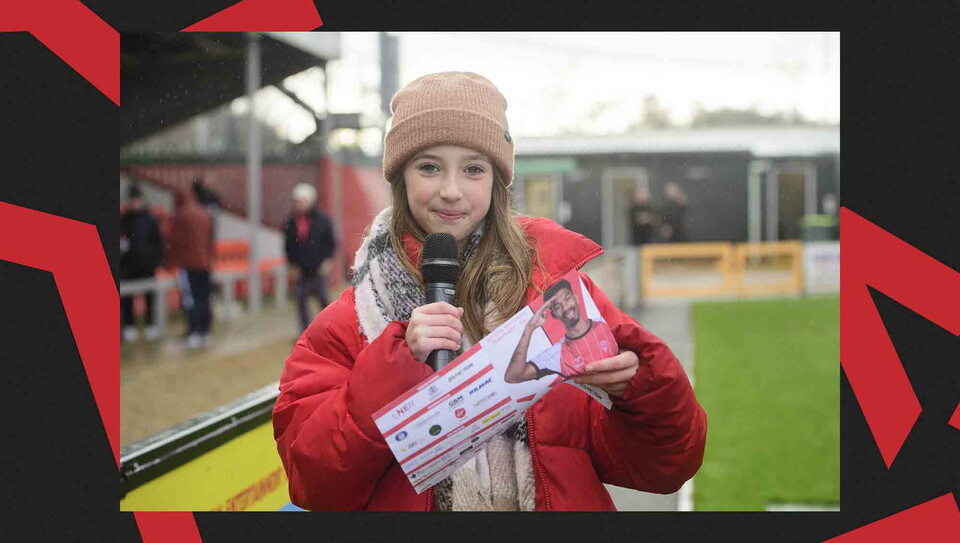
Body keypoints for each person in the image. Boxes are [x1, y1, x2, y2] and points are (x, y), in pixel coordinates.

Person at [273, 72, 706, 511]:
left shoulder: (558, 295)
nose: (450, 190)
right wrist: (394, 368)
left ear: (497, 181)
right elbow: (313, 483)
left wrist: (640, 389)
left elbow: (667, 464)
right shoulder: (346, 324)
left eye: (474, 169)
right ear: (399, 176)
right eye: (428, 166)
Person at [504, 278, 618, 384]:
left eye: (567, 298)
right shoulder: (557, 354)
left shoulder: (604, 323)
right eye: (557, 306)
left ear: (577, 298)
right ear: (553, 314)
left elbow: (633, 343)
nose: (565, 308)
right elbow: (513, 376)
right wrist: (529, 328)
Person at [284, 183, 337, 331]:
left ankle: (328, 330)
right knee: (301, 301)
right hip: (301, 269)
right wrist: (292, 264)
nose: (298, 205)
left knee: (323, 300)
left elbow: (330, 242)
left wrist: (327, 260)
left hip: (318, 267)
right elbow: (288, 245)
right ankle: (305, 331)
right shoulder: (291, 221)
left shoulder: (323, 220)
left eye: (301, 201)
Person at [166, 187, 214, 349]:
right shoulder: (204, 214)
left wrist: (170, 262)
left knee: (191, 300)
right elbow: (210, 240)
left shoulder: (179, 216)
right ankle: (205, 331)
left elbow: (172, 241)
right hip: (205, 264)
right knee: (204, 299)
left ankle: (194, 332)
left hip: (188, 266)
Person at [120, 184, 164, 342]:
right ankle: (129, 326)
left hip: (147, 265)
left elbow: (157, 242)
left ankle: (150, 324)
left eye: (137, 199)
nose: (135, 203)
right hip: (128, 267)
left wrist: (156, 261)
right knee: (127, 299)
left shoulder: (150, 220)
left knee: (149, 297)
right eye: (132, 199)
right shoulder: (124, 220)